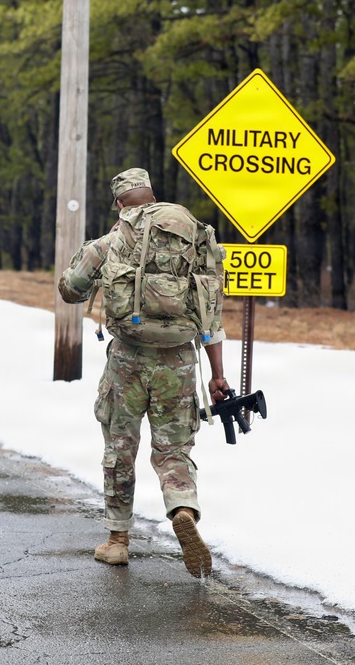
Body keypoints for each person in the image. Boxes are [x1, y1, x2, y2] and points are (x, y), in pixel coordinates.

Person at [58, 168, 230, 578]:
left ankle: (117, 541)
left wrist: (88, 266)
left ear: (120, 204)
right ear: (152, 198)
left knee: (120, 447)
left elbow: (70, 290)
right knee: (173, 449)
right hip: (180, 361)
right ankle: (182, 509)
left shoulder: (110, 242)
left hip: (127, 362)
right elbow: (212, 315)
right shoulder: (193, 240)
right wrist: (217, 375)